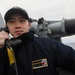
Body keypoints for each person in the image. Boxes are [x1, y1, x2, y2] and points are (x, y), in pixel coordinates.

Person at [0, 6, 75, 75]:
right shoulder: (4, 52)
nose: (17, 26)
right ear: (6, 27)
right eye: (12, 22)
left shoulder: (48, 46)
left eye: (22, 21)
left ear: (29, 25)